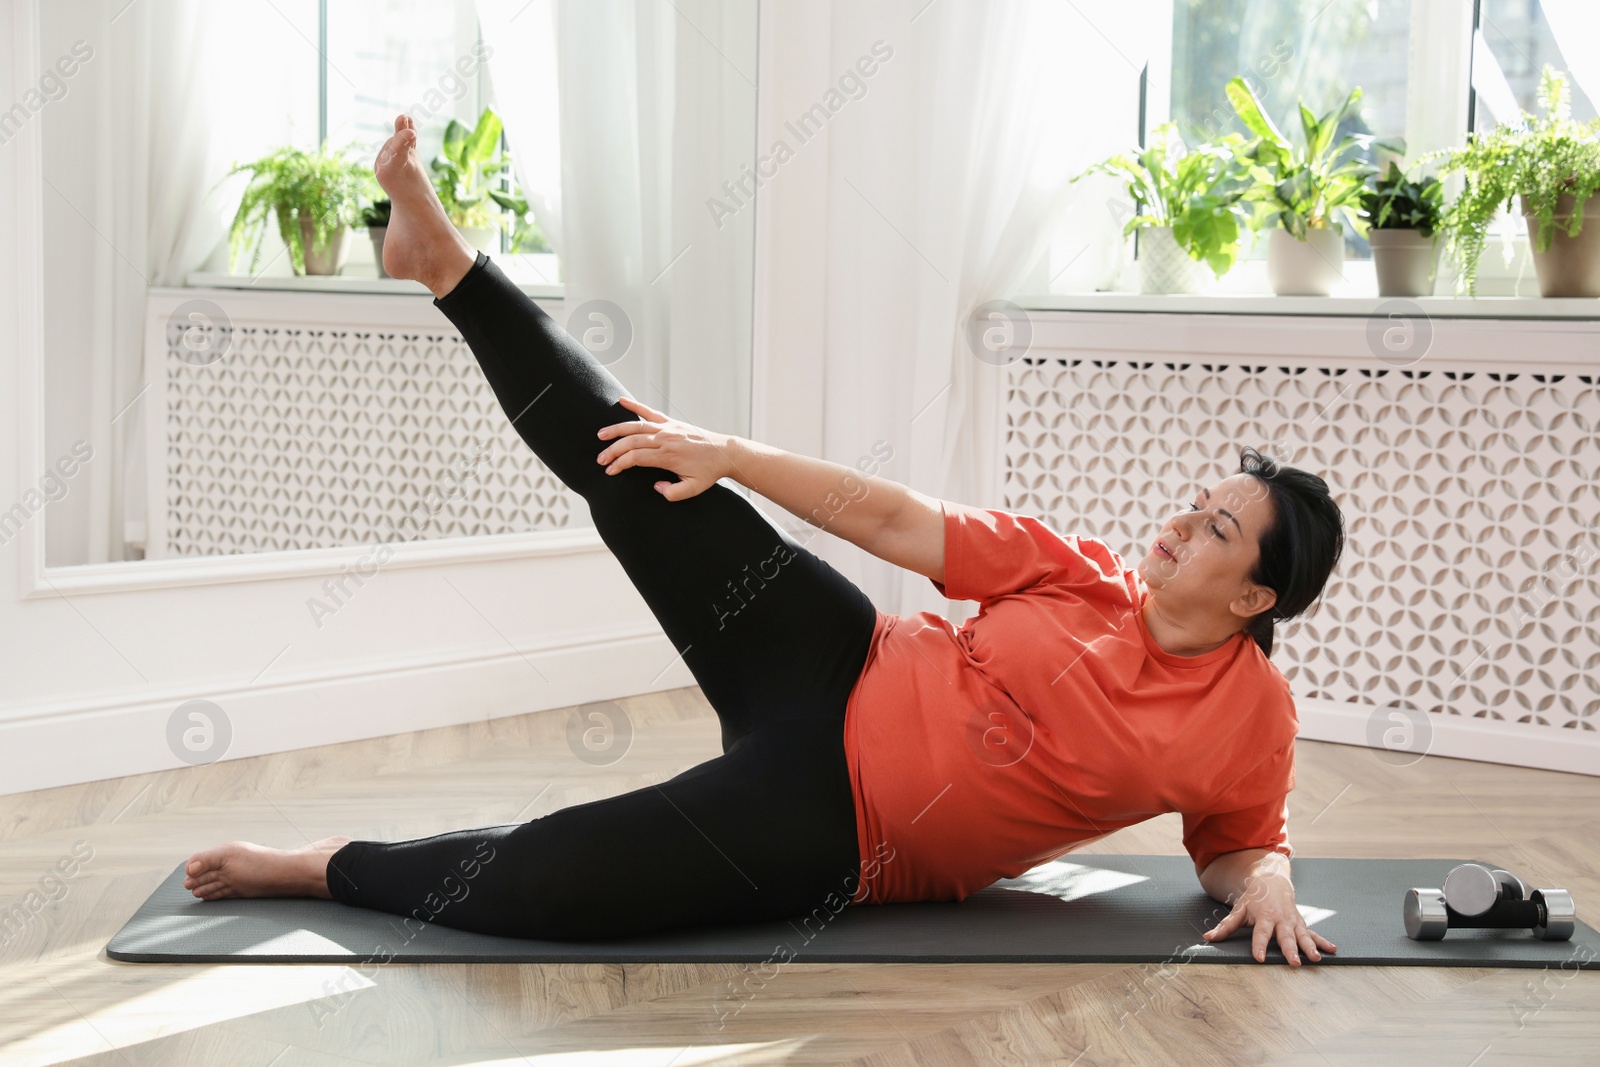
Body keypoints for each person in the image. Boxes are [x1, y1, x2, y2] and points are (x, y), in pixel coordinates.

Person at [182, 115, 1343, 967]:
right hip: (835, 655)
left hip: (844, 825)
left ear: (1254, 598)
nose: (1180, 525)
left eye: (1214, 531)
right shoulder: (1079, 567)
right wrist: (725, 453)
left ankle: (320, 860)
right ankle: (446, 267)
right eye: (1197, 505)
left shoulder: (1246, 720)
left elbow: (1235, 845)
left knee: (558, 879)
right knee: (634, 455)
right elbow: (890, 516)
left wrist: (1274, 880)